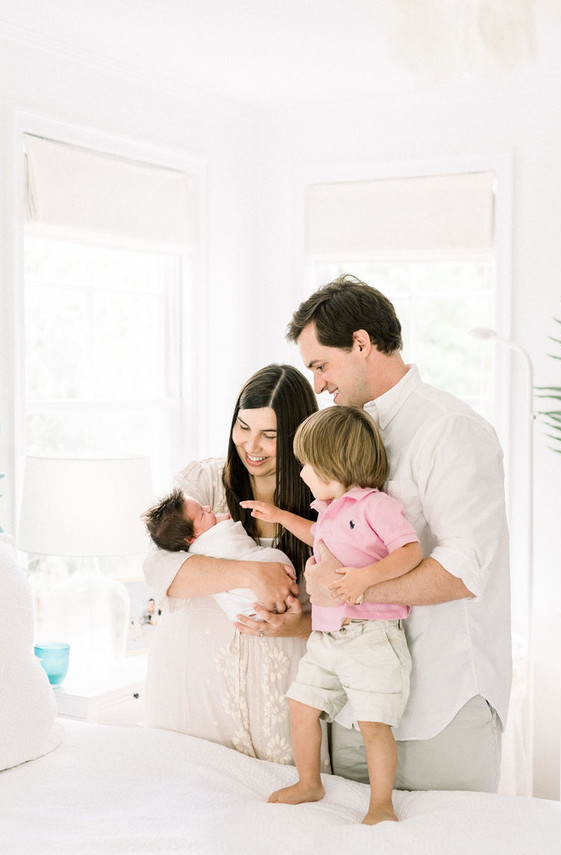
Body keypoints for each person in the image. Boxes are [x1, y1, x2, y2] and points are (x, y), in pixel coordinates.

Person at [286, 274, 512, 793]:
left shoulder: (450, 429)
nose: (317, 384)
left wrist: (347, 587)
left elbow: (462, 569)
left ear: (361, 344)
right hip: (354, 704)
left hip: (442, 704)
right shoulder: (341, 432)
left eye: (321, 364)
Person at [242, 406, 422, 824]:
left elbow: (409, 550)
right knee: (301, 705)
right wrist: (282, 518)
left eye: (308, 465)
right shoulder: (330, 511)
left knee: (373, 723)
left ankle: (381, 804)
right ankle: (310, 783)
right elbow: (316, 534)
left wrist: (366, 579)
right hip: (326, 637)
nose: (302, 473)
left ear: (337, 465)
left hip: (371, 635)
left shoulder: (375, 506)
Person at [142, 364, 324, 766]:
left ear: (297, 434)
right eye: (242, 427)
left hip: (282, 678)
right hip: (196, 679)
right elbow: (159, 569)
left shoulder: (323, 493)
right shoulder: (204, 482)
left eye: (269, 435)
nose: (251, 446)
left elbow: (356, 593)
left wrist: (304, 624)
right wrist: (249, 574)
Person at [143, 488, 294, 621]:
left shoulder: (206, 530)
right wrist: (224, 522)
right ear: (190, 539)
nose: (208, 508)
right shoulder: (204, 547)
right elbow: (232, 547)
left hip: (246, 609)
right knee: (273, 561)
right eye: (202, 513)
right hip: (248, 599)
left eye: (203, 507)